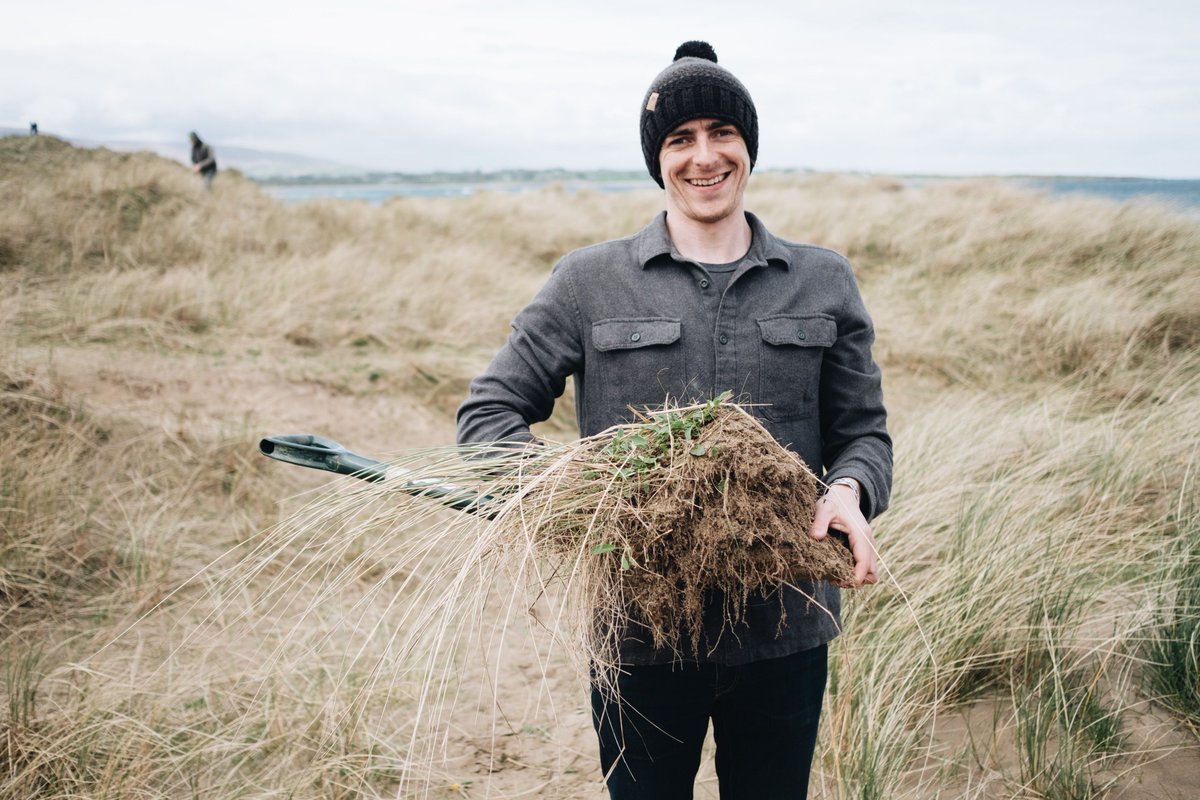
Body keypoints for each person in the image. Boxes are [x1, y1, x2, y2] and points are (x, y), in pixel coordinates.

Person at [457, 40, 892, 799]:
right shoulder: (589, 281)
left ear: (748, 147)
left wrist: (849, 490)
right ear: (658, 159)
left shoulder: (821, 279)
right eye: (679, 139)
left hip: (785, 630)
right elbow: (489, 413)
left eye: (721, 133)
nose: (704, 157)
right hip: (639, 638)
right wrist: (566, 494)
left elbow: (863, 431)